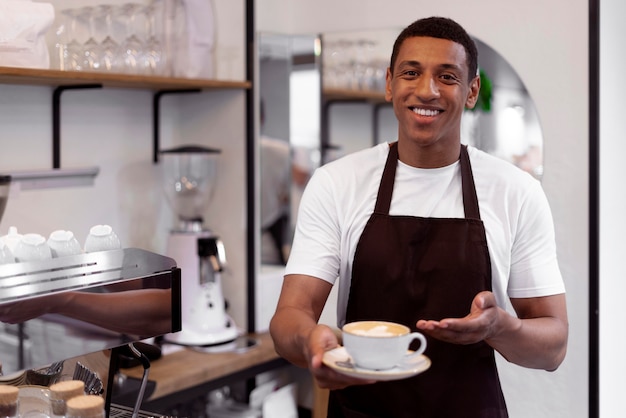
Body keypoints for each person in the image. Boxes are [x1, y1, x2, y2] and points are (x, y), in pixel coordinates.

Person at [269, 16, 568, 417]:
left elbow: (553, 346)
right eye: (412, 73)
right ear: (390, 82)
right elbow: (290, 316)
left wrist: (499, 327)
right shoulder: (337, 183)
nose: (427, 90)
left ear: (471, 91)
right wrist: (311, 341)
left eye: (447, 76)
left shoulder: (515, 192)